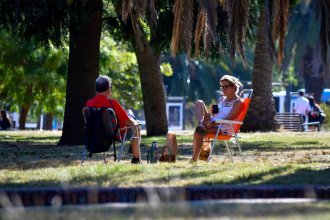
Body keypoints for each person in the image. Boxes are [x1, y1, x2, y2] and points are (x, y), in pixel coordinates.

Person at [86, 75, 141, 164]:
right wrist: (135, 122)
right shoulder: (113, 104)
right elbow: (128, 122)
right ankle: (136, 158)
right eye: (111, 87)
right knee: (136, 125)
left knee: (129, 113)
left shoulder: (89, 104)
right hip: (116, 134)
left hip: (96, 134)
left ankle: (135, 155)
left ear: (96, 89)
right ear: (108, 89)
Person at [190, 75, 244, 163]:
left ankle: (194, 159)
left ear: (234, 87)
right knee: (199, 102)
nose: (223, 89)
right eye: (222, 87)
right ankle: (201, 124)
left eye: (226, 87)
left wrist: (214, 123)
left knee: (199, 132)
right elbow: (215, 113)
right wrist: (213, 112)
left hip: (224, 128)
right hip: (213, 122)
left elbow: (229, 118)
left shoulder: (238, 102)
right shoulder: (222, 99)